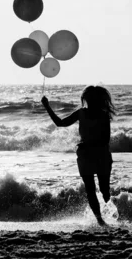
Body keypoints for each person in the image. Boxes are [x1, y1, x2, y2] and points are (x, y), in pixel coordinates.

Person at [41, 85, 116, 226]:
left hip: (94, 153)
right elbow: (60, 123)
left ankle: (103, 216)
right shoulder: (86, 113)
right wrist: (47, 106)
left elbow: (106, 138)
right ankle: (100, 220)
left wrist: (47, 107)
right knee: (92, 189)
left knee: (102, 191)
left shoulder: (101, 114)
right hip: (92, 154)